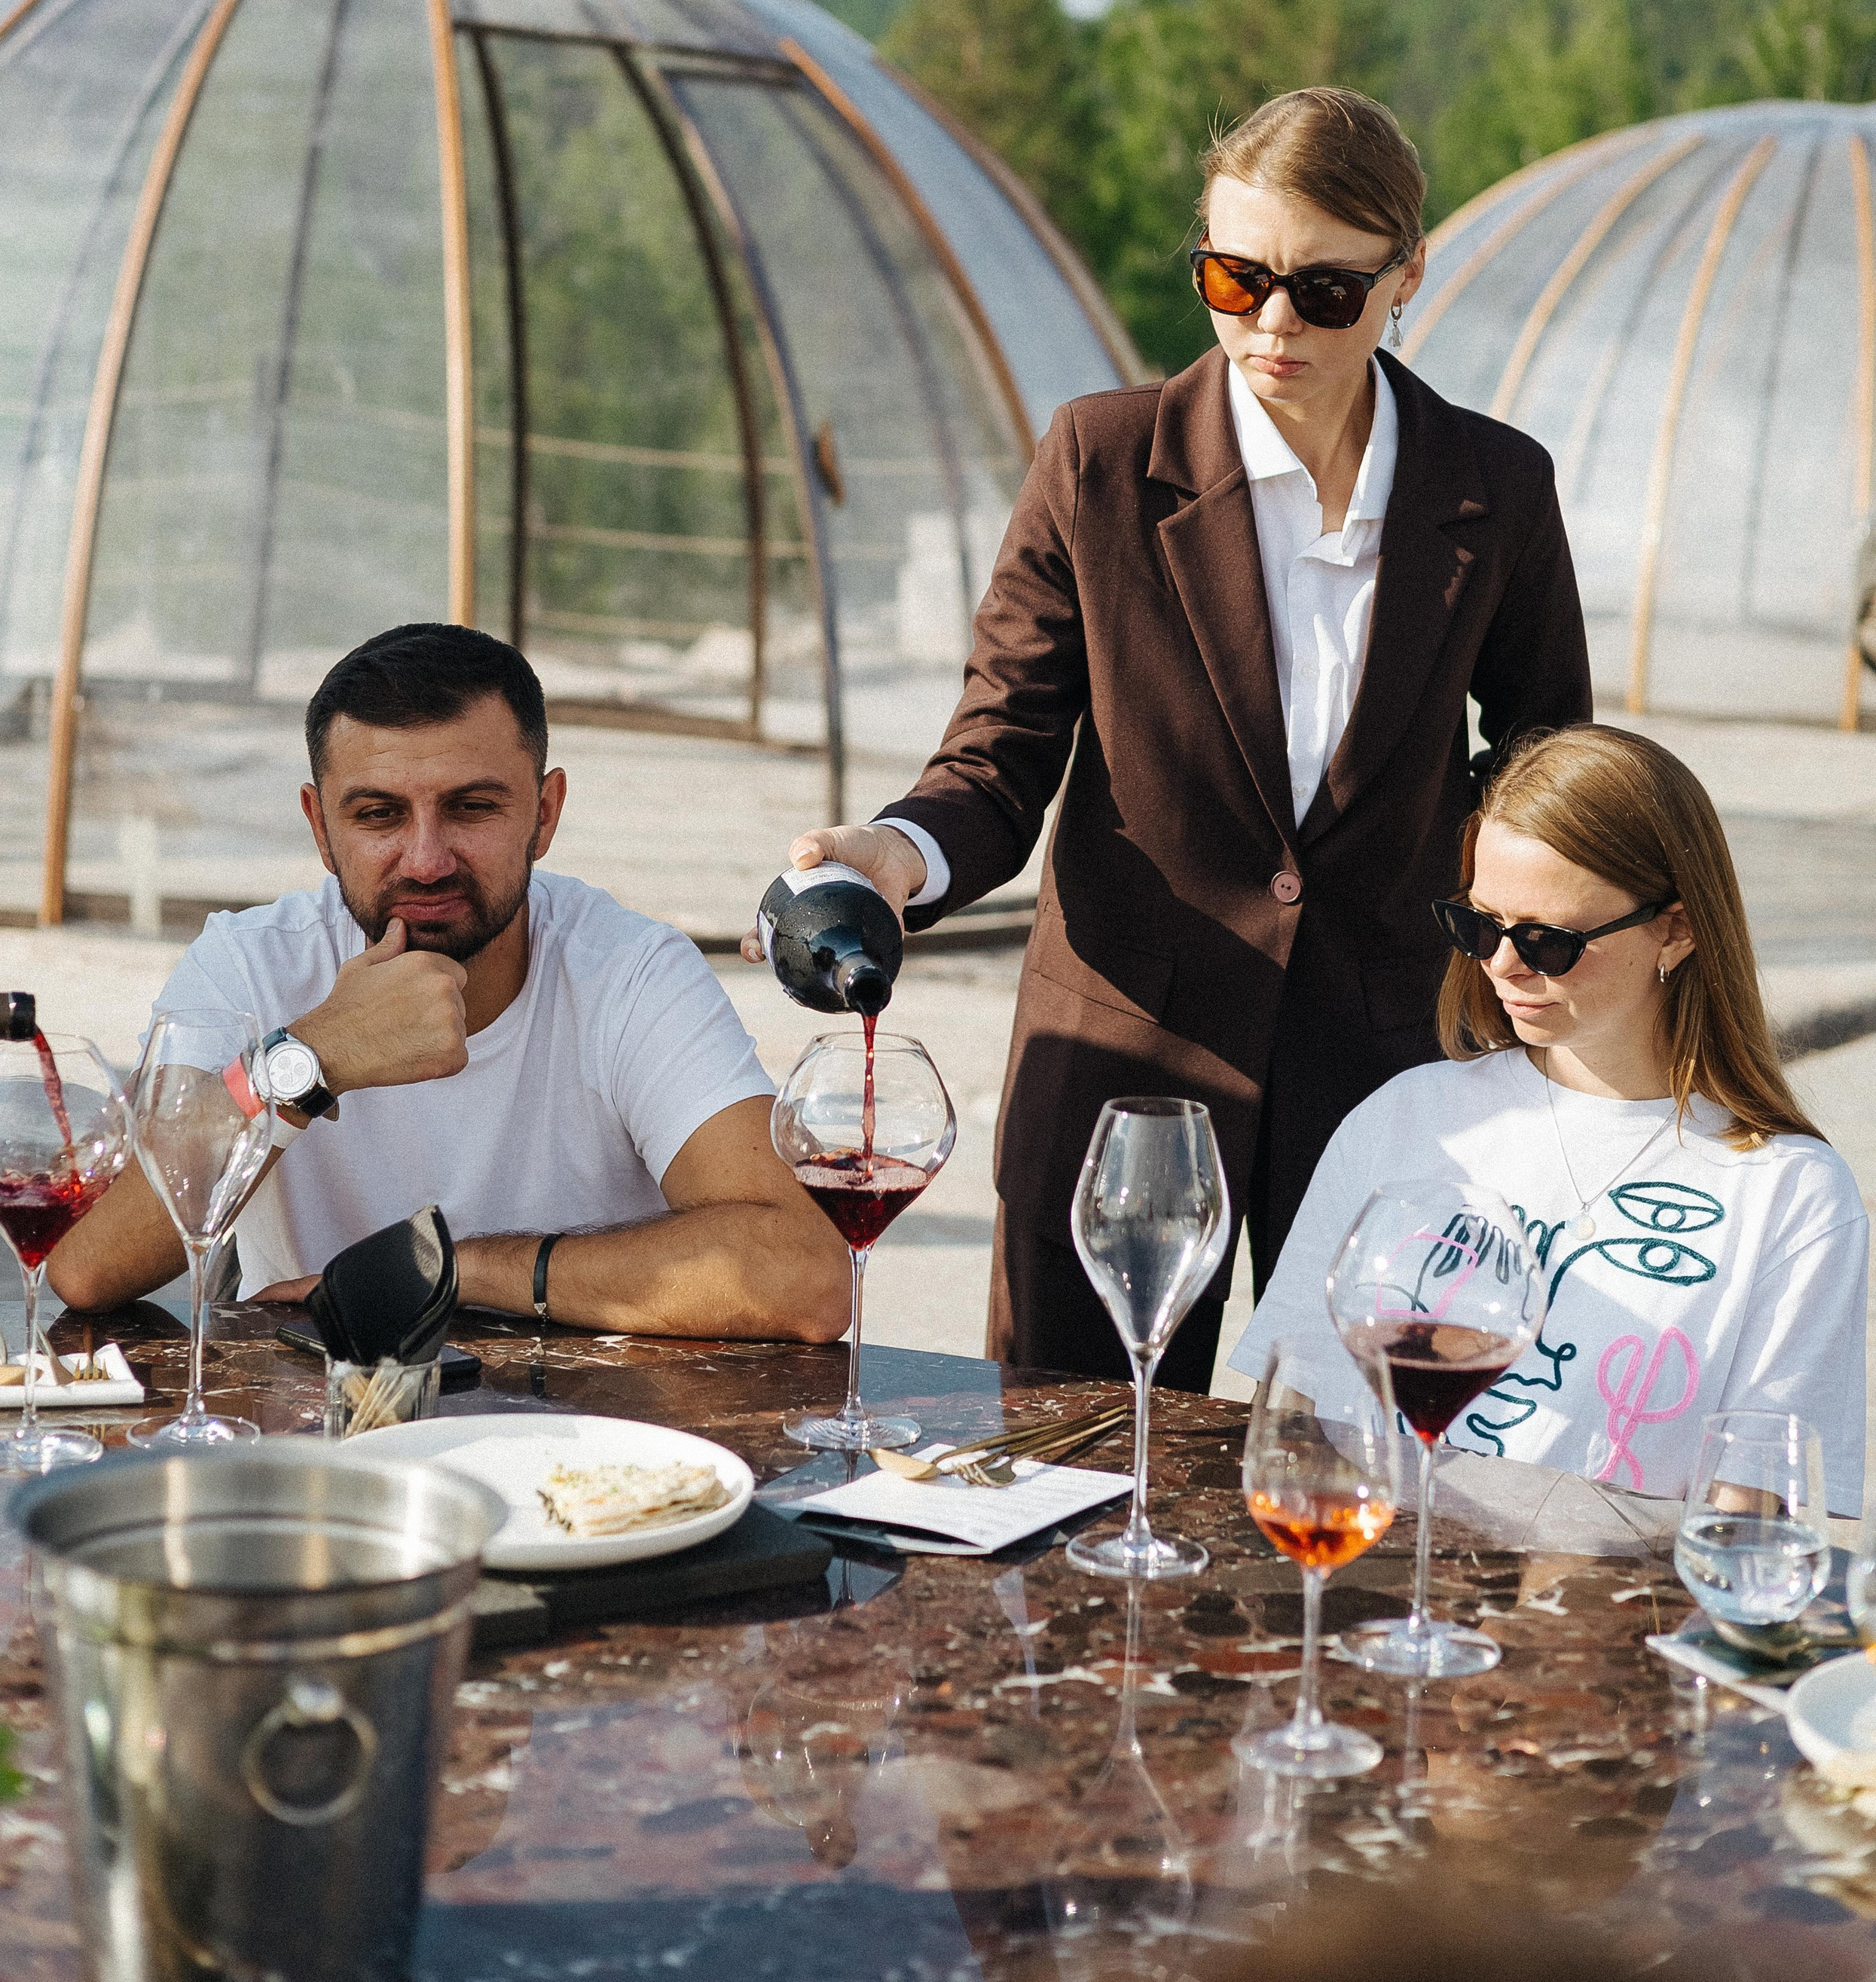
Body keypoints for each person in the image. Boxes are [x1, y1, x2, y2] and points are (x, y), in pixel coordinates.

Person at [747, 87, 1592, 1385]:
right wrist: (893, 857)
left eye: (1323, 290)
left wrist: (1505, 955)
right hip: (1122, 1064)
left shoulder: (1498, 487)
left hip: (1387, 1064)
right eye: (1231, 274)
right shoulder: (1099, 461)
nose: (1270, 323)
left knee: (1365, 1466)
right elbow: (1000, 751)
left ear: (1407, 274)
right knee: (1077, 1466)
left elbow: (1548, 766)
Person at [52, 624, 850, 1341]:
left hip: (594, 1456)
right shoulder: (251, 962)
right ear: (319, 826)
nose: (426, 859)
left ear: (545, 813)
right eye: (377, 815)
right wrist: (310, 1058)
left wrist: (453, 1270)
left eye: (471, 808)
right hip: (323, 1441)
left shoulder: (630, 971)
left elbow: (805, 1276)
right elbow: (86, 1265)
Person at [1231, 725, 1867, 1513]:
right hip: (1382, 1605)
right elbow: (1296, 1424)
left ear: (1677, 927)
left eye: (1547, 941)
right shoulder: (1405, 1121)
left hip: (1613, 1625)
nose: (1500, 964)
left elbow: (1750, 1522)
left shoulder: (1791, 1195)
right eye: (1480, 925)